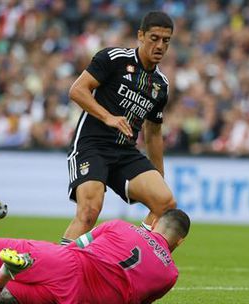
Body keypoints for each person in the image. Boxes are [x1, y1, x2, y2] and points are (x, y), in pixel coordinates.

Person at [0, 187, 190, 304]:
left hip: (62, 261)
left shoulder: (120, 226)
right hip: (77, 297)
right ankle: (4, 275)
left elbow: (76, 245)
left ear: (155, 222)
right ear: (180, 241)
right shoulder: (170, 274)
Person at [63, 11, 176, 245]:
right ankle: (56, 270)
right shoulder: (114, 59)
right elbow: (77, 90)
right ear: (141, 36)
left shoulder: (160, 85)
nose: (160, 45)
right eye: (154, 38)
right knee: (89, 212)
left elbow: (153, 133)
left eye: (166, 40)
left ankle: (137, 252)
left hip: (124, 151)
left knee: (164, 203)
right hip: (91, 145)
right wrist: (108, 117)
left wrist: (159, 176)